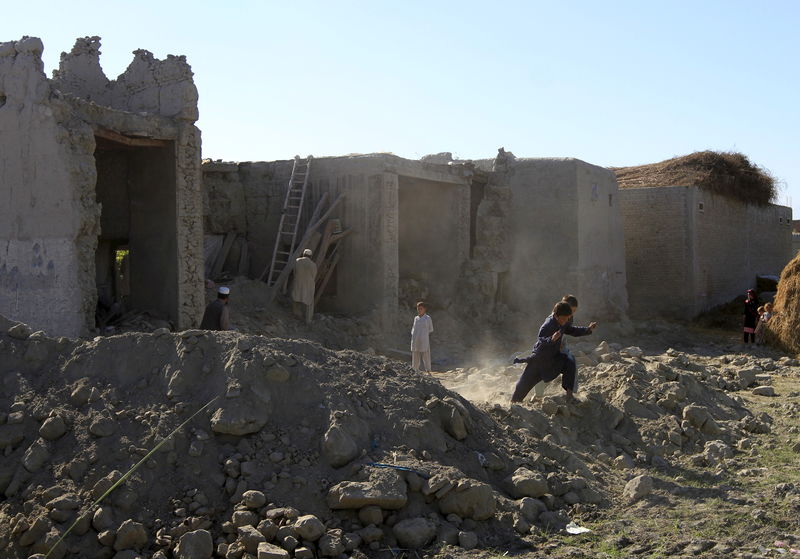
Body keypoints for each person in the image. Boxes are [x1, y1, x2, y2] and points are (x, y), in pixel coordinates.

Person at [511, 301, 596, 404]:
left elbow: (572, 330)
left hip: (553, 359)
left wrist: (587, 330)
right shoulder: (547, 325)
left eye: (568, 318)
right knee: (521, 389)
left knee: (569, 362)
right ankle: (513, 406)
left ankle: (569, 396)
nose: (566, 321)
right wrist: (551, 339)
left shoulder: (563, 322)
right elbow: (541, 339)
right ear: (556, 316)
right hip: (539, 361)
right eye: (564, 318)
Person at [532, 294, 595, 398]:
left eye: (574, 311)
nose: (572, 314)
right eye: (572, 311)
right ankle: (539, 389)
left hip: (560, 344)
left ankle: (570, 394)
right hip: (550, 347)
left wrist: (587, 330)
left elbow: (570, 330)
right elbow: (543, 338)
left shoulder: (567, 316)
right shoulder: (552, 320)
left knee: (570, 366)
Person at [292, 249, 317, 324]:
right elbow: (314, 276)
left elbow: (294, 272)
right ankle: (308, 320)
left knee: (296, 299)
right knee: (309, 302)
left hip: (298, 283)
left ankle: (296, 316)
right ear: (310, 256)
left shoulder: (297, 261)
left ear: (303, 254)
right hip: (309, 285)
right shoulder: (313, 265)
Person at [411, 301, 434, 372]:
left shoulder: (427, 318)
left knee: (426, 355)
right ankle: (415, 369)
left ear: (424, 309)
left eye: (421, 309)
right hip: (415, 339)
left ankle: (428, 369)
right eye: (418, 309)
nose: (419, 310)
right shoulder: (416, 318)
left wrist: (424, 335)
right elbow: (413, 328)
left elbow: (431, 329)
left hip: (424, 340)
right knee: (415, 355)